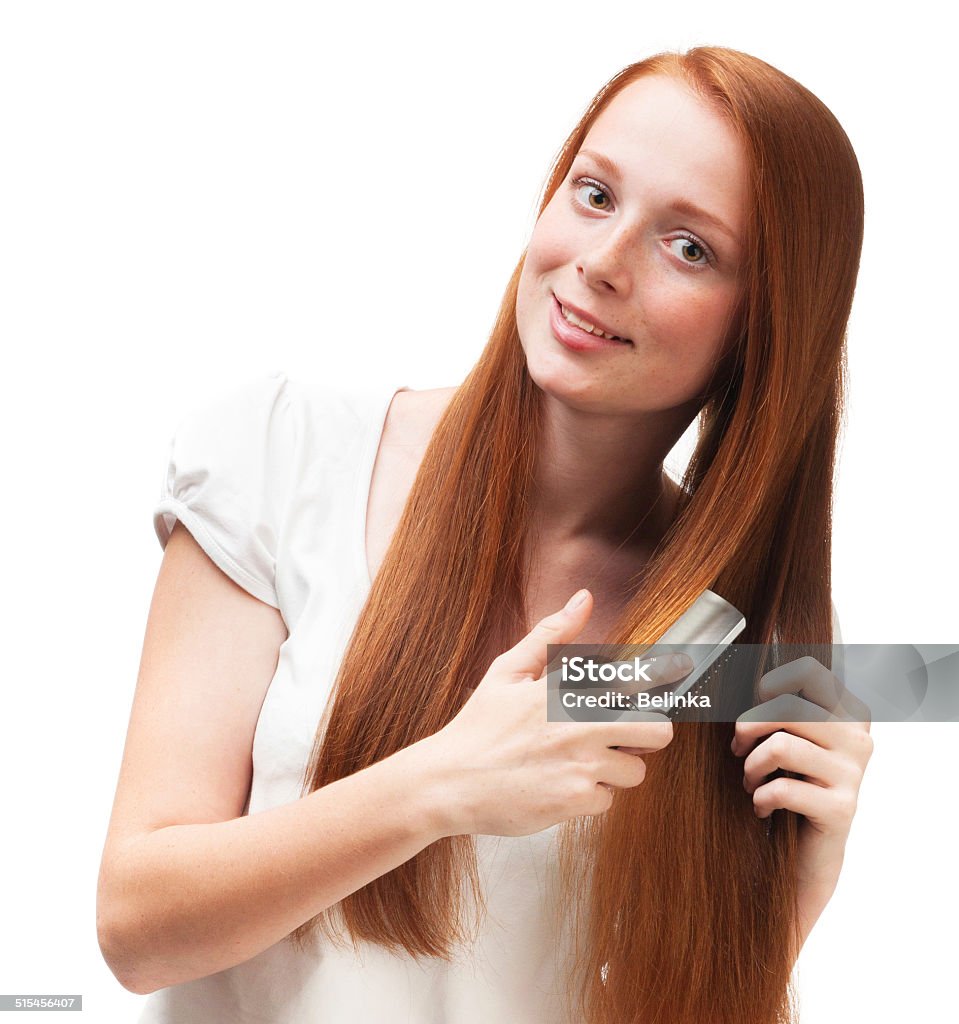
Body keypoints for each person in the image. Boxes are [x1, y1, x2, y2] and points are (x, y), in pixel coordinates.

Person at [97, 46, 873, 1024]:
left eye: (687, 246)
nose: (599, 262)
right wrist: (443, 779)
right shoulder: (281, 457)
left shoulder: (726, 642)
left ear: (766, 326)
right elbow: (137, 924)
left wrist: (791, 897)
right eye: (593, 194)